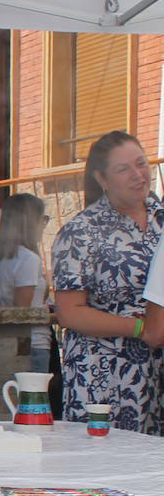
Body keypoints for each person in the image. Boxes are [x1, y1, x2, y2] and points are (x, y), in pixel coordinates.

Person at [51, 130, 164, 434]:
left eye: (141, 163)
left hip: (157, 372)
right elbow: (70, 312)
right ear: (102, 178)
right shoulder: (81, 231)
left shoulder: (161, 219)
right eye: (123, 169)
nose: (138, 174)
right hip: (103, 374)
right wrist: (141, 328)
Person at [0, 193, 53, 372]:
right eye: (43, 219)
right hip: (31, 343)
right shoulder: (27, 259)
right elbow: (22, 310)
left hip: (4, 339)